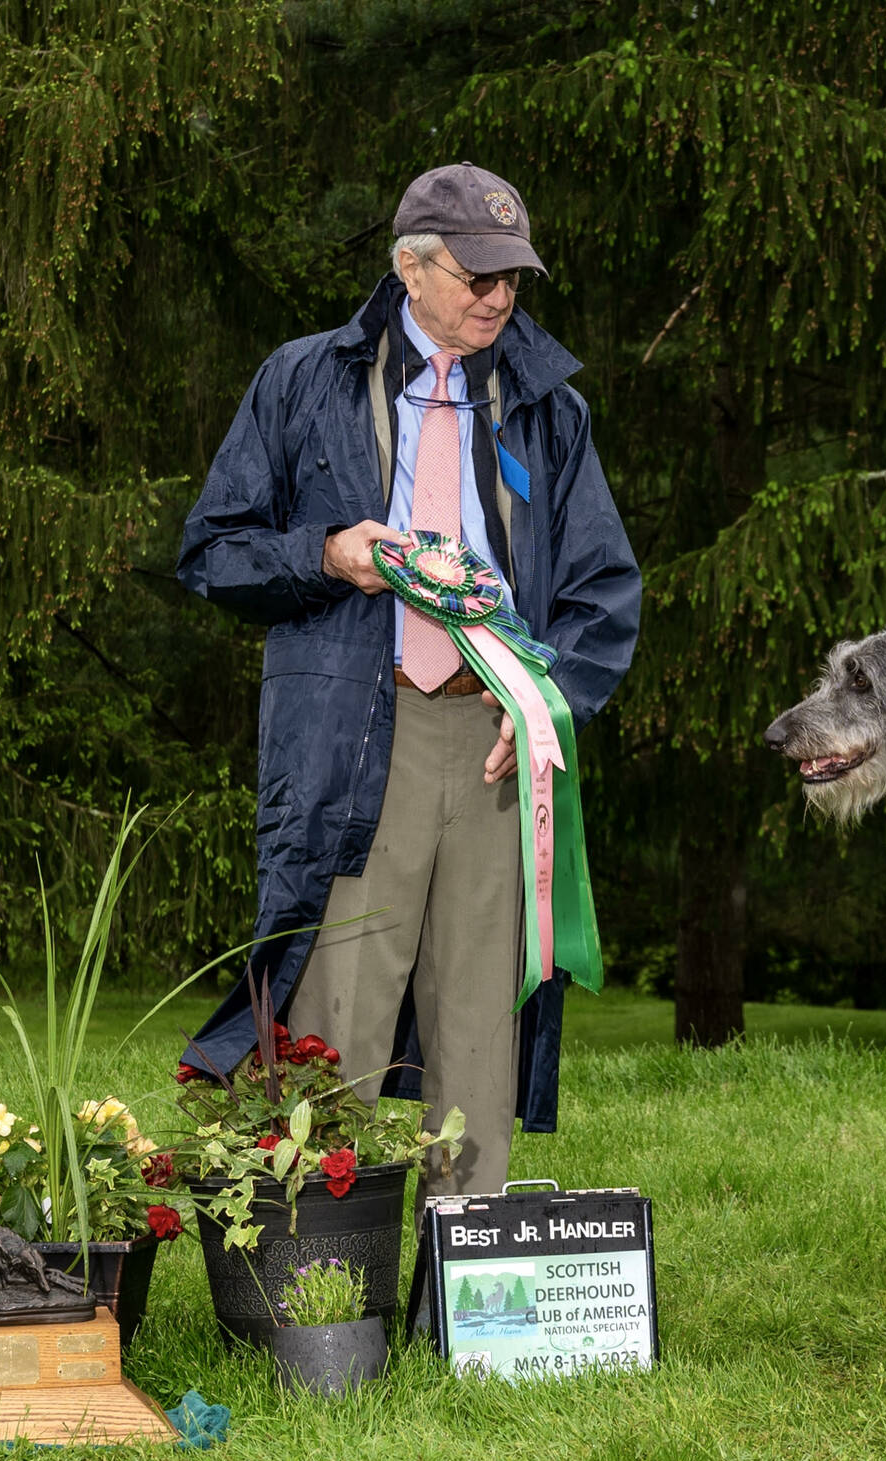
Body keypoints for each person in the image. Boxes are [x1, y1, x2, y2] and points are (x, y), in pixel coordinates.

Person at [178, 163, 640, 1197]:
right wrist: (328, 554)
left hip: (488, 740)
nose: (497, 296)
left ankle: (466, 1300)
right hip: (352, 734)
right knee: (332, 1016)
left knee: (480, 1023)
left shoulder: (547, 409)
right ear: (409, 267)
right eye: (475, 275)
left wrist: (547, 702)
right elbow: (213, 550)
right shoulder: (303, 380)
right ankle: (313, 1291)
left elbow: (605, 591)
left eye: (510, 276)